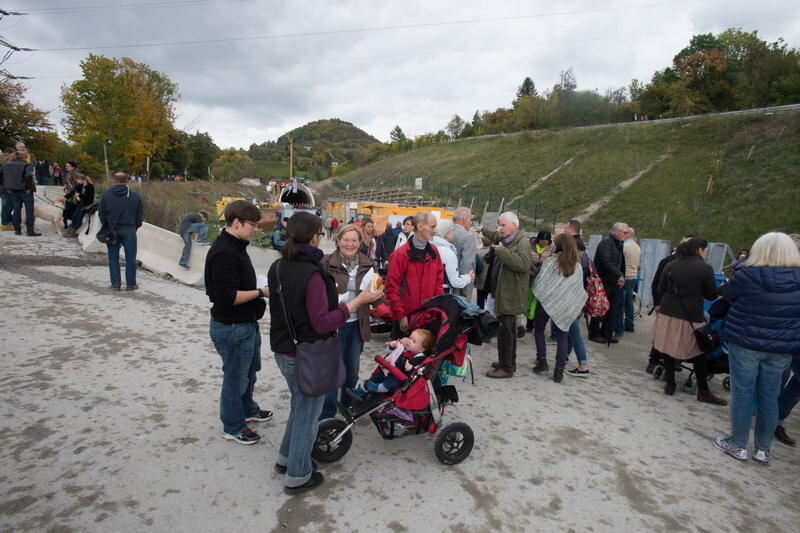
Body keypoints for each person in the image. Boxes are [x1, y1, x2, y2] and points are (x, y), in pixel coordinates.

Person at [268, 212, 382, 493]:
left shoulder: (279, 266)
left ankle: (286, 459)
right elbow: (323, 322)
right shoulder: (313, 273)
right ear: (316, 236)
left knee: (299, 406)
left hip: (284, 348)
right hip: (306, 354)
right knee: (308, 414)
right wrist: (355, 303)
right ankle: (298, 474)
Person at [713, 232, 800, 464]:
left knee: (743, 393)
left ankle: (738, 443)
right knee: (770, 397)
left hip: (746, 341)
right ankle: (763, 449)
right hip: (782, 346)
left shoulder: (748, 275)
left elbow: (726, 295)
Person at [204, 200, 272, 446]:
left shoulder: (237, 245)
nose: (255, 229)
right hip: (232, 328)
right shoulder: (224, 252)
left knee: (249, 372)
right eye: (252, 225)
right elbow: (227, 297)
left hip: (246, 324)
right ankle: (233, 426)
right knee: (235, 377)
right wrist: (262, 292)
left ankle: (247, 409)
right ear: (236, 223)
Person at [652, 238, 726, 404]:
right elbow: (711, 295)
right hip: (691, 315)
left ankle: (670, 383)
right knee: (698, 352)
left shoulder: (671, 265)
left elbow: (660, 288)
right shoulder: (705, 268)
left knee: (668, 347)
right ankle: (703, 390)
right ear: (699, 250)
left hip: (668, 312)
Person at [319, 224, 376, 420]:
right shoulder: (326, 263)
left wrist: (378, 295)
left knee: (351, 371)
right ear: (338, 241)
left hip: (356, 325)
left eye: (354, 240)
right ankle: (327, 414)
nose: (349, 244)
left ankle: (348, 408)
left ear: (360, 243)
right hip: (334, 325)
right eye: (346, 239)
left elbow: (375, 298)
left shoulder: (368, 264)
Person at [531, 233, 587, 382]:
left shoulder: (550, 262)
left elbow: (540, 283)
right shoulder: (577, 266)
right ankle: (559, 371)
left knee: (539, 329)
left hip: (545, 302)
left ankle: (542, 361)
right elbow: (577, 290)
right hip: (565, 306)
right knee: (563, 335)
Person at [483, 212, 531, 378]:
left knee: (505, 332)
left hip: (511, 295)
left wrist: (502, 252)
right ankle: (507, 361)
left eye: (503, 225)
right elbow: (495, 235)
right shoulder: (508, 239)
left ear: (514, 225)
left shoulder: (522, 242)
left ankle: (507, 367)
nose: (500, 228)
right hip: (505, 294)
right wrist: (482, 229)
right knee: (507, 330)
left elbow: (524, 264)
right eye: (499, 225)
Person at [385, 211, 444, 340]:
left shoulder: (434, 252)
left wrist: (436, 310)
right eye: (433, 226)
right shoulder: (400, 255)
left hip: (428, 318)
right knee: (401, 358)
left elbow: (438, 284)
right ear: (421, 226)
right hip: (406, 319)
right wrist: (400, 315)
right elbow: (391, 288)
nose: (436, 230)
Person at [645, 233, 697, 373]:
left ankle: (675, 360)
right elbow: (657, 284)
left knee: (680, 335)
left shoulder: (697, 264)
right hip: (667, 304)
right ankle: (654, 360)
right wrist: (657, 303)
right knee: (661, 334)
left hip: (684, 307)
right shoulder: (668, 261)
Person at [99, 172, 143, 291]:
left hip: (112, 229)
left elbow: (101, 213)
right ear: (127, 181)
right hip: (129, 229)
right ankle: (130, 284)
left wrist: (107, 226)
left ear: (114, 181)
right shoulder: (135, 196)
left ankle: (115, 284)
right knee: (130, 258)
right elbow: (139, 217)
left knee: (113, 257)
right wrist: (134, 227)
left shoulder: (106, 195)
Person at [588, 222, 629, 344]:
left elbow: (621, 263)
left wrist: (621, 276)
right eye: (624, 233)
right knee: (599, 307)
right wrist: (619, 275)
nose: (626, 235)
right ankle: (594, 333)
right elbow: (606, 261)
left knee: (612, 309)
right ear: (616, 231)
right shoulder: (606, 243)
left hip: (614, 281)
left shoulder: (618, 244)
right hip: (604, 281)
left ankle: (607, 333)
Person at [361, 329, 434, 393]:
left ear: (421, 349)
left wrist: (410, 369)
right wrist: (392, 346)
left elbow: (416, 374)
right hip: (389, 370)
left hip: (399, 377)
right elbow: (392, 353)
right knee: (377, 375)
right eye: (410, 338)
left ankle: (380, 388)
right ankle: (367, 386)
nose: (409, 341)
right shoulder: (404, 348)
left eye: (414, 341)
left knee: (393, 381)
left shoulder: (419, 359)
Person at [563, 219, 592, 377]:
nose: (564, 230)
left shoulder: (574, 248)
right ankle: (564, 355)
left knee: (573, 331)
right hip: (578, 295)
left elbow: (573, 274)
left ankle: (583, 365)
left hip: (573, 296)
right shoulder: (581, 247)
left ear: (571, 229)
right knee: (568, 329)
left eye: (565, 227)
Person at [0, 151, 40, 236]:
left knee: (16, 210)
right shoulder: (27, 165)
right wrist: (29, 187)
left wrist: (6, 187)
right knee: (29, 211)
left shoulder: (6, 165)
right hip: (25, 190)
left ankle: (17, 230)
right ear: (23, 157)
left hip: (13, 190)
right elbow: (28, 176)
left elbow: (1, 176)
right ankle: (30, 231)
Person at [432, 219, 474, 293]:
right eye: (453, 230)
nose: (454, 232)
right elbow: (455, 281)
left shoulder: (429, 246)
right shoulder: (448, 252)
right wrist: (468, 278)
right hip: (442, 293)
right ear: (446, 232)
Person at [618, 227, 641, 335]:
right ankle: (630, 324)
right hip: (633, 276)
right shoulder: (637, 246)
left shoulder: (624, 246)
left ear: (627, 234)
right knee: (629, 301)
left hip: (625, 276)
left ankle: (620, 326)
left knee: (621, 301)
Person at [451, 207, 477, 297]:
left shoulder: (445, 232)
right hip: (459, 289)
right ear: (464, 220)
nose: (471, 222)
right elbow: (467, 264)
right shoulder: (468, 237)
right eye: (470, 219)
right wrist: (467, 292)